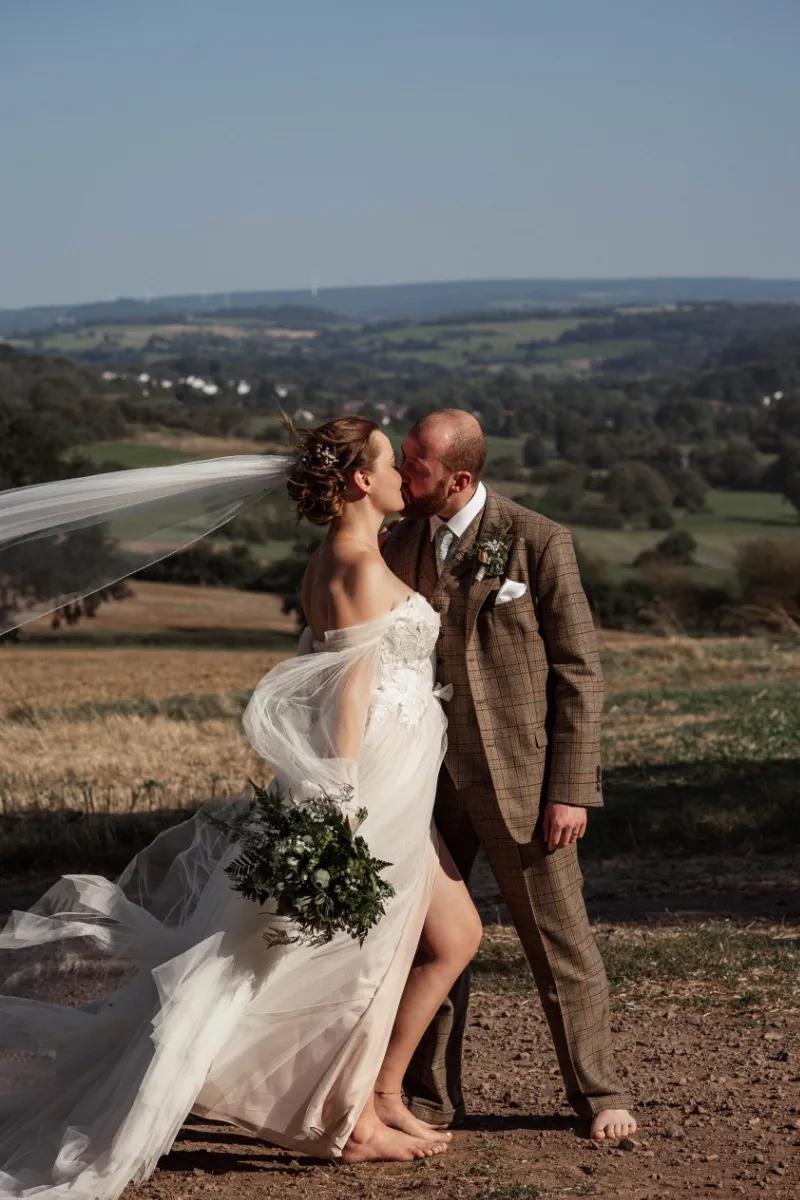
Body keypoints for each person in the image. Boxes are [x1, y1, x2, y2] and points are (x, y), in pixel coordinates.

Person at [0, 416, 484, 1199]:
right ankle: (347, 1121)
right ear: (361, 481)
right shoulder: (355, 563)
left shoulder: (344, 554)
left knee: (447, 935)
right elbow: (346, 693)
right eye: (392, 464)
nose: (403, 477)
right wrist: (343, 801)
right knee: (356, 955)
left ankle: (374, 1097)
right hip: (374, 781)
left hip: (399, 774)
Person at [382, 409, 637, 1142]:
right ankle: (429, 1099)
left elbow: (579, 674)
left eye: (417, 467)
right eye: (401, 461)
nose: (405, 477)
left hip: (522, 781)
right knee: (431, 942)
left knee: (560, 940)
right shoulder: (395, 542)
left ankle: (600, 1094)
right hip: (421, 780)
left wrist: (570, 788)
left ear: (460, 478)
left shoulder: (538, 540)